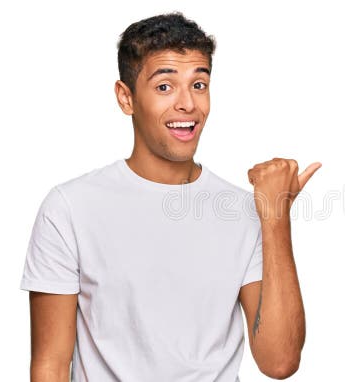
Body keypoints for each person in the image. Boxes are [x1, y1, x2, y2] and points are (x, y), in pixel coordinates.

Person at [19, 12, 320, 381]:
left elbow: (279, 362)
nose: (187, 105)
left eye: (199, 84)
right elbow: (50, 364)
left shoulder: (242, 211)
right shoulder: (70, 208)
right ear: (126, 97)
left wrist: (275, 216)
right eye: (165, 86)